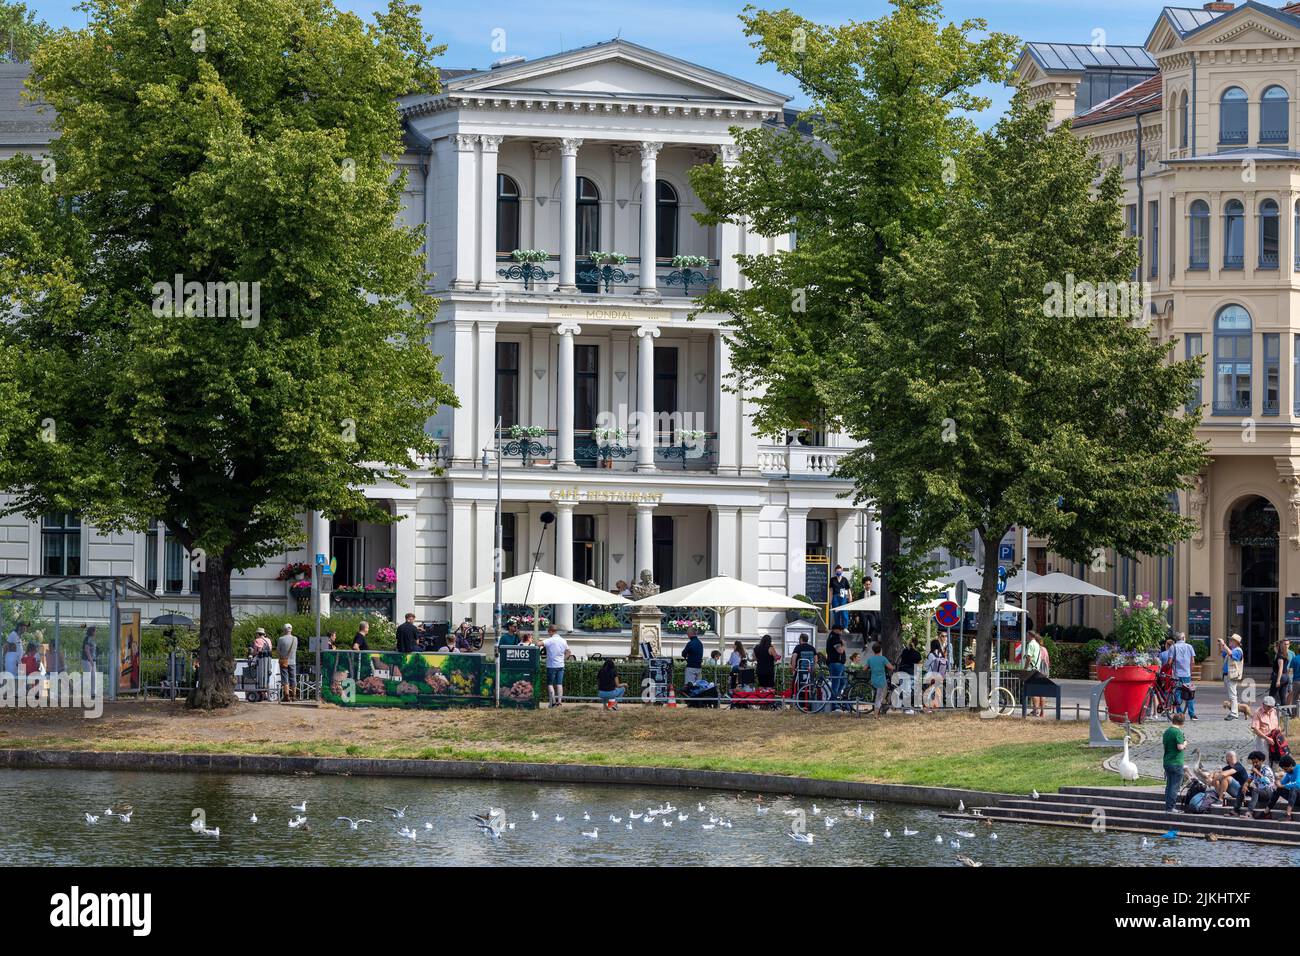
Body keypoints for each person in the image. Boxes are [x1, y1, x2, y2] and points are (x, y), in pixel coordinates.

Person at [1235, 750, 1277, 818]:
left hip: (1269, 792)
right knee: (1241, 788)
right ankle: (1235, 810)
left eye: (1256, 762)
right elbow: (1248, 780)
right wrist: (1245, 785)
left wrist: (1257, 772)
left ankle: (1250, 812)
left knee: (1255, 790)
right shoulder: (1254, 770)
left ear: (1261, 761)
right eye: (1253, 763)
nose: (1254, 764)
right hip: (1260, 792)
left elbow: (1267, 781)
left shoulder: (1266, 769)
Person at [1168, 631, 1197, 721]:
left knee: (1177, 693)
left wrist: (1171, 666)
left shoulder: (1173, 647)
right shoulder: (1189, 647)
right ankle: (1192, 714)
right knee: (1189, 693)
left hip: (1176, 675)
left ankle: (1180, 714)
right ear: (1184, 638)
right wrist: (1190, 671)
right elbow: (1192, 661)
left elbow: (1169, 662)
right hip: (1187, 674)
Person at [1162, 712, 1187, 813]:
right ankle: (1171, 807)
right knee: (1175, 786)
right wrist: (1185, 743)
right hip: (1176, 762)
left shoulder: (1167, 732)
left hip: (1167, 761)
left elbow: (1165, 746)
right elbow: (1180, 747)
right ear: (1182, 723)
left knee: (1169, 785)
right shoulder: (1178, 732)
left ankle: (1168, 807)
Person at [542, 627, 570, 707]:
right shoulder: (563, 640)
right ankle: (560, 702)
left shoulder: (550, 640)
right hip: (561, 665)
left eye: (548, 632)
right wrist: (563, 659)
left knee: (550, 684)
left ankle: (553, 702)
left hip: (551, 665)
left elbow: (538, 644)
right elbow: (568, 652)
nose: (548, 633)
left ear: (551, 631)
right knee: (559, 684)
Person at [1251, 696, 1283, 767]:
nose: (1270, 708)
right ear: (1263, 704)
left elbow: (1276, 723)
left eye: (1272, 706)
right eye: (1268, 706)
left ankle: (1273, 774)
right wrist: (1266, 738)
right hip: (1263, 739)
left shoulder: (1273, 711)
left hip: (1274, 737)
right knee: (1264, 759)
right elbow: (1256, 730)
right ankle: (1264, 775)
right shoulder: (1257, 713)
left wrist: (1278, 729)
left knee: (1275, 757)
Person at [1220, 633, 1245, 719]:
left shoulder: (1238, 650)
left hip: (1233, 675)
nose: (1230, 641)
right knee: (1231, 695)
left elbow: (1232, 655)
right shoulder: (1231, 649)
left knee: (1233, 695)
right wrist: (1221, 646)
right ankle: (1234, 712)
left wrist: (1224, 644)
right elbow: (1223, 654)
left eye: (1231, 640)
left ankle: (1234, 713)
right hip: (1228, 675)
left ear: (1236, 642)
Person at [865, 642, 893, 717]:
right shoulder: (883, 659)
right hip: (881, 681)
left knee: (879, 696)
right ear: (880, 650)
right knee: (879, 697)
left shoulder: (870, 659)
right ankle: (875, 714)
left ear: (873, 650)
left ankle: (881, 707)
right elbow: (891, 667)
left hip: (873, 680)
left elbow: (864, 668)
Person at [896, 637, 922, 715]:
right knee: (909, 691)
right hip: (911, 673)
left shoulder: (904, 651)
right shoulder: (917, 653)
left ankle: (905, 707)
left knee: (905, 690)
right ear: (916, 644)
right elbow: (919, 665)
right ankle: (907, 709)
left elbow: (900, 660)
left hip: (902, 672)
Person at [826, 625, 848, 710]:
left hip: (838, 664)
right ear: (836, 630)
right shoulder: (835, 638)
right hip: (836, 664)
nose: (842, 632)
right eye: (841, 630)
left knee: (842, 682)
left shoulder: (834, 637)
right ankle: (834, 703)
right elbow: (840, 650)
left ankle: (836, 699)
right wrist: (843, 644)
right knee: (836, 683)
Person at [1272, 755, 1300, 820]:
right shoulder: (1289, 772)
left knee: (1294, 789)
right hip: (1297, 799)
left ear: (1290, 765)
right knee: (1278, 789)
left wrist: (1282, 786)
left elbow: (1298, 784)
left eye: (1285, 769)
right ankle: (1266, 811)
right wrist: (1277, 783)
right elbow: (1282, 783)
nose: (1285, 771)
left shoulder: (1299, 769)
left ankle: (1288, 815)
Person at [923, 639, 948, 712]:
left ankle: (928, 708)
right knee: (936, 692)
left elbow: (925, 666)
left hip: (931, 676)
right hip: (940, 676)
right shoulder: (941, 654)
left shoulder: (931, 655)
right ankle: (936, 707)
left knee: (928, 692)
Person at [276, 624, 298, 703]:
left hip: (284, 661)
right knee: (293, 678)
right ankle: (294, 696)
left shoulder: (281, 639)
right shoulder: (295, 639)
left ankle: (286, 696)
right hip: (293, 661)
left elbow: (278, 650)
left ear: (284, 630)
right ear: (291, 629)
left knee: (285, 678)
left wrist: (282, 656)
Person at [829, 565, 852, 630]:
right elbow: (831, 591)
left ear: (841, 571)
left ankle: (845, 627)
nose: (838, 572)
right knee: (836, 613)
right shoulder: (832, 579)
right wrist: (830, 601)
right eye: (837, 571)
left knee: (844, 612)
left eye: (839, 571)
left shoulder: (844, 579)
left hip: (843, 597)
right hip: (835, 597)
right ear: (835, 572)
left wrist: (850, 597)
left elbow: (848, 589)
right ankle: (838, 628)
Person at [1271, 638, 1293, 705]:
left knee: (1273, 696)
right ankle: (1284, 713)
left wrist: (1278, 680)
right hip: (1286, 676)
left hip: (1281, 676)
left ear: (1277, 647)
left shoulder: (1279, 655)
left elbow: (1280, 668)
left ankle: (1274, 713)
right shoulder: (1285, 654)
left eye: (1275, 646)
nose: (1274, 648)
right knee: (1283, 696)